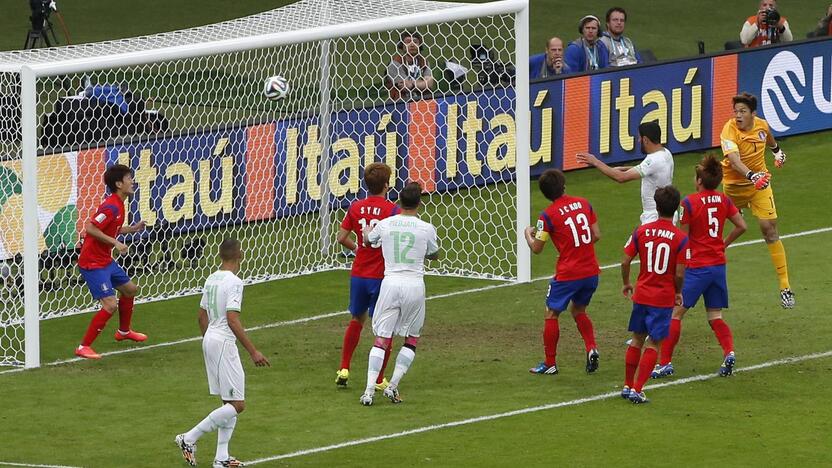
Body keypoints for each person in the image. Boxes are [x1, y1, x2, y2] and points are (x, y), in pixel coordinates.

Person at [175, 238, 270, 468]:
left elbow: (201, 316)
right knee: (238, 404)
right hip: (223, 342)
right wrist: (253, 351)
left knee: (228, 400)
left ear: (220, 256)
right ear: (240, 255)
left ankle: (222, 458)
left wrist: (209, 339)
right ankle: (188, 438)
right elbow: (232, 319)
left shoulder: (211, 278)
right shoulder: (235, 282)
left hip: (210, 338)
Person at [653, 155, 747, 379]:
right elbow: (742, 225)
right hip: (717, 267)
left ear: (698, 181)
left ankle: (665, 363)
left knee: (675, 313)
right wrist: (723, 244)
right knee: (715, 315)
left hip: (697, 267)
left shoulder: (689, 202)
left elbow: (682, 240)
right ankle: (729, 352)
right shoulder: (723, 200)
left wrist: (677, 269)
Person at [359, 182, 440, 406]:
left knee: (382, 339)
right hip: (414, 285)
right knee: (411, 339)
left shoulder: (385, 225)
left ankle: (368, 392)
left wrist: (366, 233)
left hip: (390, 283)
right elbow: (434, 254)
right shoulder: (426, 228)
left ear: (399, 202)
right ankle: (392, 385)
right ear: (419, 203)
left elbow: (368, 241)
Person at [719, 92, 794, 308]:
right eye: (736, 112)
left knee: (769, 229)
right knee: (716, 230)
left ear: (753, 113)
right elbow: (733, 161)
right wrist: (753, 176)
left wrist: (777, 152)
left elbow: (769, 138)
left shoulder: (761, 125)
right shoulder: (729, 129)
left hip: (760, 186)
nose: (738, 116)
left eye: (743, 111)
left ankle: (785, 287)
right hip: (734, 189)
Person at [524, 169, 601, 376]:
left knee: (551, 313)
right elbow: (596, 235)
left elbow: (537, 248)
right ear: (564, 185)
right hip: (591, 270)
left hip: (568, 273)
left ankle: (550, 363)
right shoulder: (584, 203)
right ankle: (591, 347)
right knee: (578, 311)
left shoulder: (547, 216)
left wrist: (527, 234)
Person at [334, 163, 400, 390]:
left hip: (359, 274)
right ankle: (380, 379)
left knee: (356, 320)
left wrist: (357, 249)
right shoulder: (392, 210)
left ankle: (344, 367)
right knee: (385, 328)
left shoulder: (355, 207)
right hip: (381, 277)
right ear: (386, 185)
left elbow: (341, 237)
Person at [620, 186, 688, 404]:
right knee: (654, 343)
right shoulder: (680, 238)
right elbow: (679, 273)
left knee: (637, 339)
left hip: (641, 295)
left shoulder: (641, 231)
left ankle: (627, 385)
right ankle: (637, 390)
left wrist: (627, 283)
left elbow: (625, 260)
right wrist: (677, 292)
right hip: (661, 298)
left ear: (656, 207)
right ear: (676, 208)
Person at [74, 164, 147, 360]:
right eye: (128, 178)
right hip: (92, 263)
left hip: (105, 260)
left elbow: (110, 228)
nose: (132, 181)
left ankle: (124, 332)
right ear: (118, 183)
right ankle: (83, 346)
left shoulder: (119, 204)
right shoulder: (111, 205)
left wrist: (131, 229)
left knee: (130, 289)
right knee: (110, 304)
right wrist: (116, 243)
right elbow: (90, 228)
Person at [577, 121, 674, 225]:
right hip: (665, 214)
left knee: (635, 241)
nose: (638, 141)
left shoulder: (653, 160)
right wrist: (624, 168)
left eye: (639, 138)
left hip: (654, 218)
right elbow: (651, 170)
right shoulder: (665, 153)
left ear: (645, 140)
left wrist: (595, 161)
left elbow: (621, 178)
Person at [386, 31, 436, 101]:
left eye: (415, 42)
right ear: (402, 45)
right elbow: (405, 87)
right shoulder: (395, 63)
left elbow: (430, 84)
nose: (412, 44)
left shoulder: (423, 61)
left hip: (423, 101)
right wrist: (422, 83)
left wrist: (412, 84)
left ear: (420, 45)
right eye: (408, 42)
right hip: (401, 103)